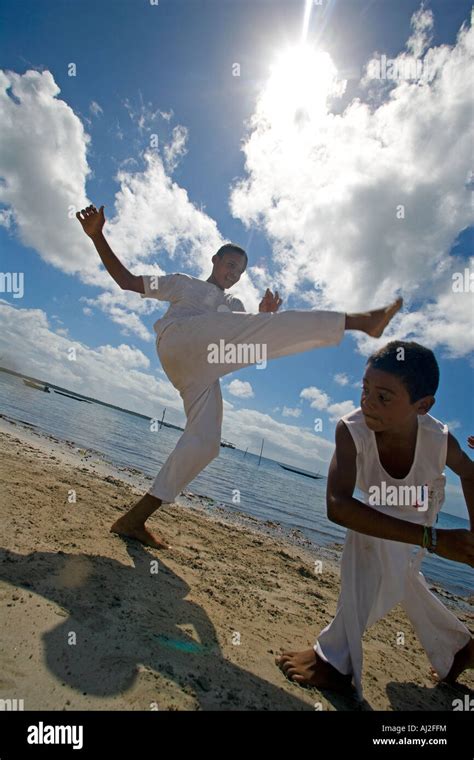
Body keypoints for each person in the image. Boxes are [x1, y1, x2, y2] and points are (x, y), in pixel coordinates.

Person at [77, 203, 402, 549]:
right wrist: (98, 235)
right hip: (178, 340)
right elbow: (126, 281)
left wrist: (264, 318)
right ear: (215, 260)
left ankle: (135, 519)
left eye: (240, 271)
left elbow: (246, 332)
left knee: (205, 444)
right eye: (230, 264)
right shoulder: (183, 284)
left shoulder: (233, 308)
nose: (234, 273)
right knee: (257, 328)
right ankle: (358, 321)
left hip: (198, 371)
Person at [277, 341, 474, 697]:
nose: (368, 402)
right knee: (388, 565)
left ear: (422, 406)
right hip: (386, 509)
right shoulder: (351, 430)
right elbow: (338, 505)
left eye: (384, 397)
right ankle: (458, 647)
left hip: (420, 504)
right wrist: (435, 540)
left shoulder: (439, 440)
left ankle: (334, 662)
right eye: (365, 389)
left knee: (378, 560)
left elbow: (470, 474)